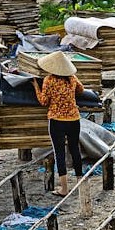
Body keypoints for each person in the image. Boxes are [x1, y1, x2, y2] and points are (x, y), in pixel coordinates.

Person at [32, 51, 84, 197]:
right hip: (74, 119)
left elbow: (44, 101)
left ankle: (64, 188)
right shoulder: (72, 78)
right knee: (75, 149)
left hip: (57, 120)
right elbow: (81, 90)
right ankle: (80, 183)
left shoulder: (49, 80)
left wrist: (36, 86)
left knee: (59, 152)